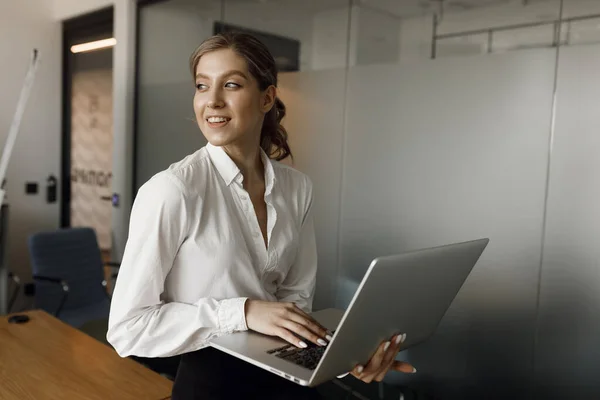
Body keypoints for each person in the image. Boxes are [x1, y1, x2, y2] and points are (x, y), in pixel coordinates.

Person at [106, 32, 415, 400]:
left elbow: (295, 303)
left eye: (231, 84)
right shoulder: (172, 191)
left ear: (267, 98)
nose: (212, 101)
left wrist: (342, 355)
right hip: (212, 386)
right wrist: (244, 311)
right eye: (202, 86)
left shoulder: (297, 189)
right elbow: (127, 329)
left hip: (286, 381)